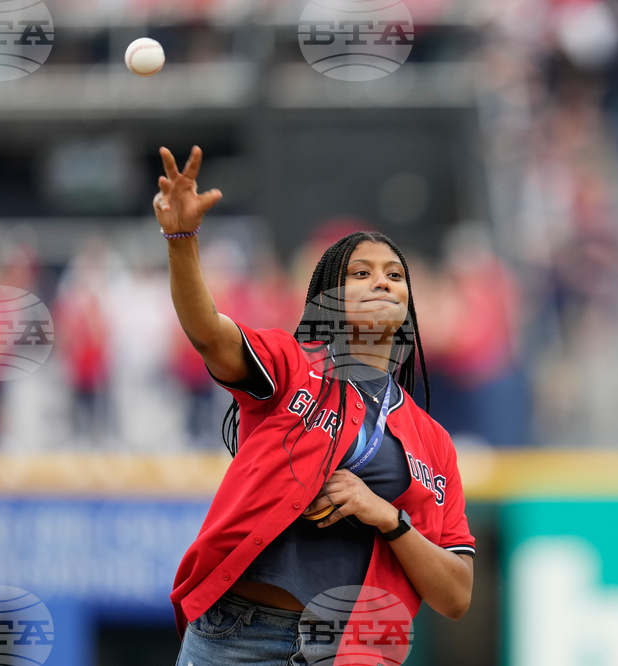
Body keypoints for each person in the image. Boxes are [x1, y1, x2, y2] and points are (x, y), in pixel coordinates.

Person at [154, 145, 475, 665]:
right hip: (240, 636)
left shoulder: (433, 443)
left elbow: (457, 595)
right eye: (361, 273)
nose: (382, 282)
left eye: (395, 275)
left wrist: (387, 517)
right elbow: (208, 333)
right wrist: (180, 240)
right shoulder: (289, 365)